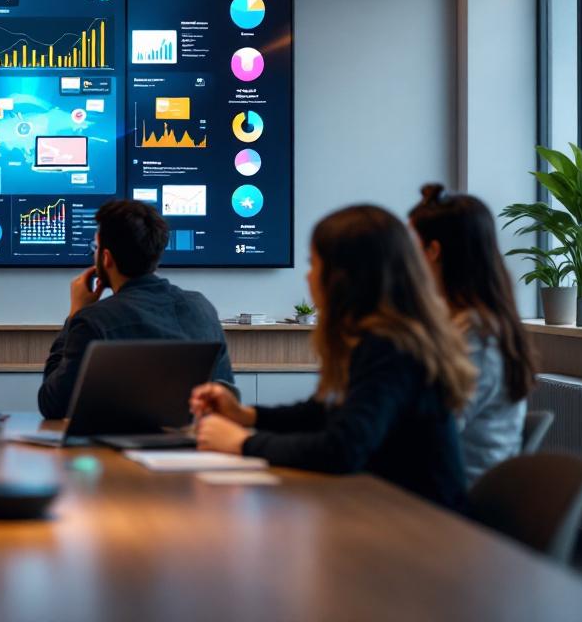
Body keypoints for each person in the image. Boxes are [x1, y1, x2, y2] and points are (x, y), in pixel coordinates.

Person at [190, 205, 476, 511]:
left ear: (342, 278)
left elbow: (342, 448)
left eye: (313, 264)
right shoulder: (384, 339)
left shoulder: (390, 347)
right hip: (391, 511)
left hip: (423, 527)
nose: (308, 276)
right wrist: (246, 416)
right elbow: (326, 412)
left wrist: (242, 443)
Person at [38, 199, 233, 419]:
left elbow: (53, 404)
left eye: (95, 248)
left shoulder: (92, 321)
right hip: (192, 446)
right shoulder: (202, 308)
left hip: (112, 449)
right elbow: (226, 399)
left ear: (106, 258)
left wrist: (74, 315)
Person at [410, 184, 536, 484]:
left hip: (456, 505)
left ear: (433, 251)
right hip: (432, 487)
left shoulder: (477, 336)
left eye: (410, 245)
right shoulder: (462, 323)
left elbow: (429, 435)